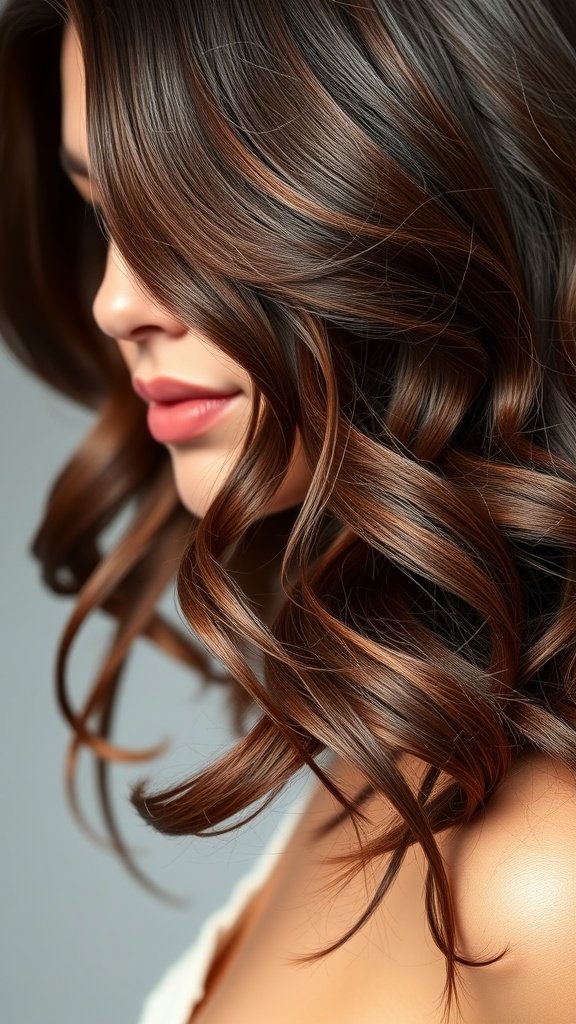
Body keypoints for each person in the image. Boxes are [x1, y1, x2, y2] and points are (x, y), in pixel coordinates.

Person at [1, 1, 576, 1021]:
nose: (115, 303)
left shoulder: (541, 886)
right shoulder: (403, 727)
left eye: (191, 210)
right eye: (104, 213)